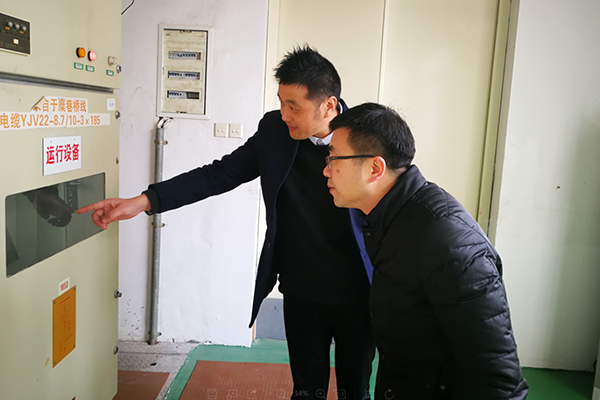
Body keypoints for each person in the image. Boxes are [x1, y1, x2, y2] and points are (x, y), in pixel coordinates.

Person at [77, 46, 376, 400]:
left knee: (355, 390)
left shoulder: (368, 136)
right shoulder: (275, 131)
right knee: (306, 391)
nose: (284, 114)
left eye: (293, 106)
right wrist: (143, 201)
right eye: (281, 102)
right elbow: (218, 174)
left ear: (328, 105)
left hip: (358, 291)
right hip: (302, 290)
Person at [323, 103, 529, 400]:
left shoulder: (446, 239)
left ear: (375, 168)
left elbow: (498, 378)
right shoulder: (390, 218)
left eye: (333, 158)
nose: (326, 170)